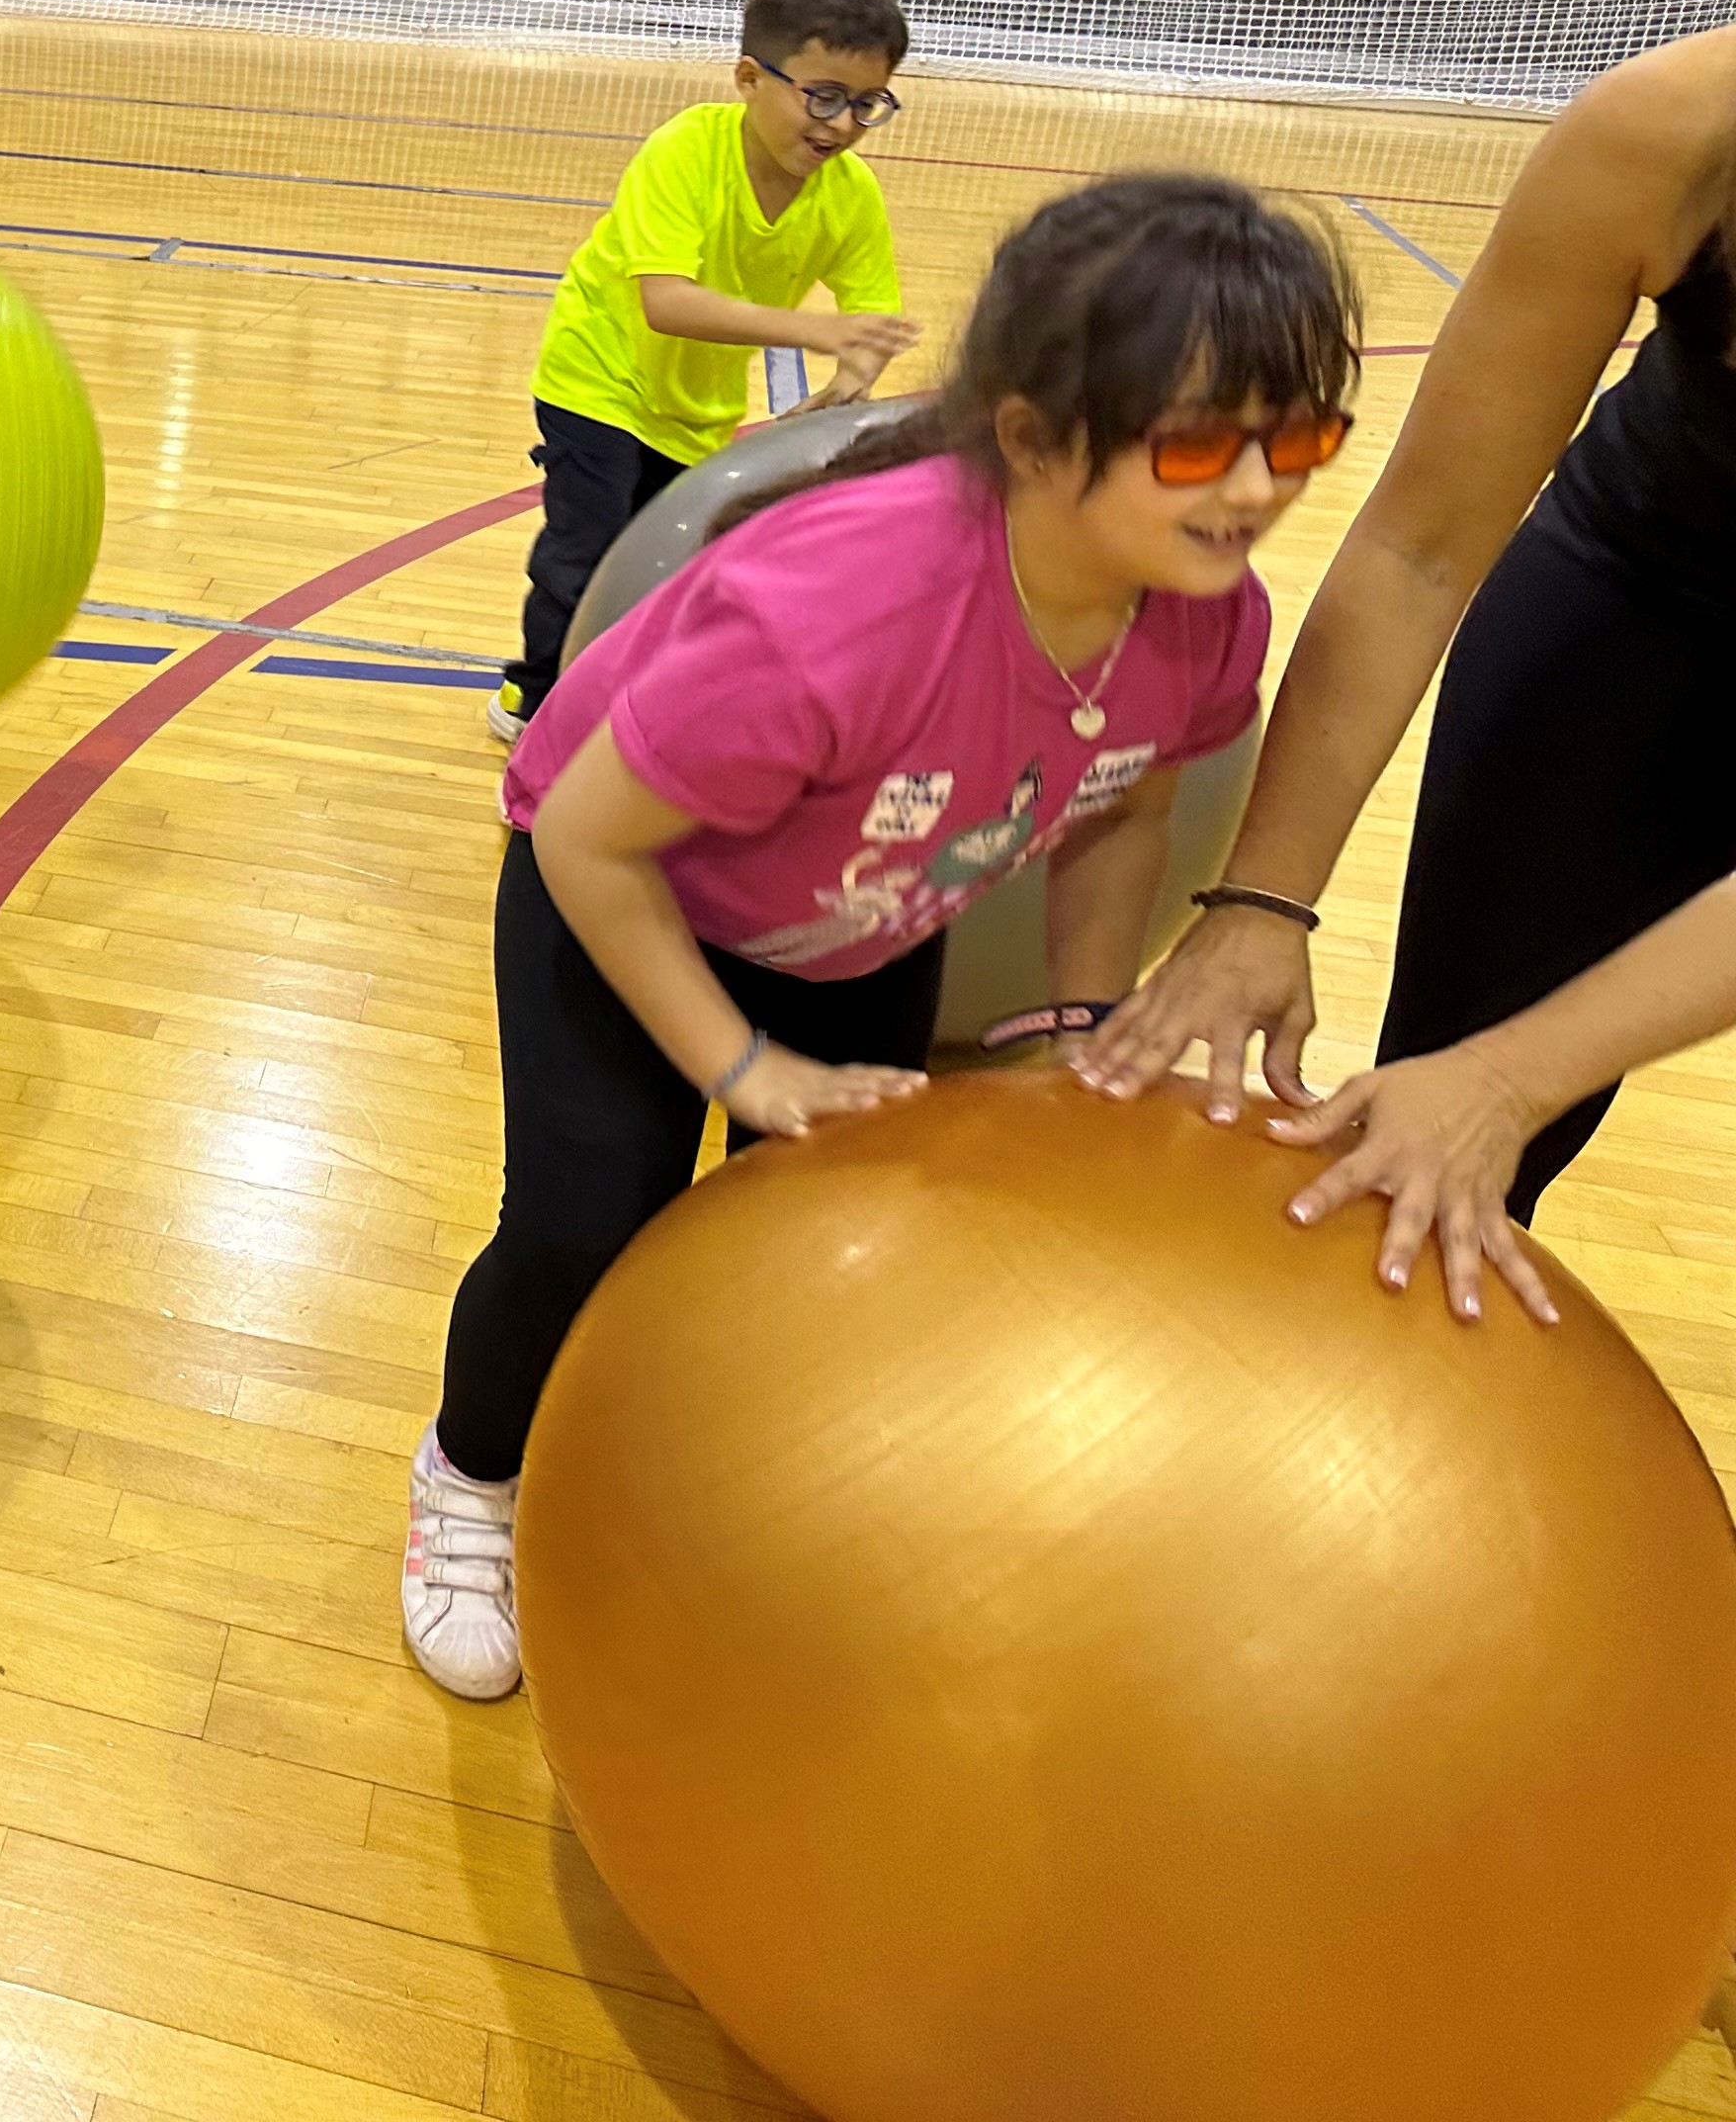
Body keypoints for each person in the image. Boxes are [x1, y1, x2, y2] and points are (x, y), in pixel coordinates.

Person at [403, 174, 1356, 1701]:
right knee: (589, 1220)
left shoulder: (1205, 606)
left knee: (818, 1235)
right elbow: (589, 840)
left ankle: (709, 1474)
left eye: (1298, 439)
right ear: (1036, 436)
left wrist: (1073, 1028)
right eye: (1199, 444)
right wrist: (744, 1065)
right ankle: (474, 1474)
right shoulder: (840, 612)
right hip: (634, 903)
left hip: (867, 918)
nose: (1255, 490)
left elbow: (1121, 799)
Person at [1081, 25, 1736, 1332]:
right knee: (1430, 1137)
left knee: (1496, 1090)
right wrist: (1261, 900)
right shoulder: (1670, 128)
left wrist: (1515, 1077)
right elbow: (1420, 545)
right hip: (1642, 592)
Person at [494, 0, 923, 745]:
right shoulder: (686, 151)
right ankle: (537, 711)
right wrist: (814, 331)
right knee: (582, 556)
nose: (840, 124)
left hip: (694, 410)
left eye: (868, 105)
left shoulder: (850, 194)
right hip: (599, 377)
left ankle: (621, 708)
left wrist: (854, 376)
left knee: (666, 571)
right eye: (822, 97)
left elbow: (872, 315)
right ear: (750, 77)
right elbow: (667, 302)